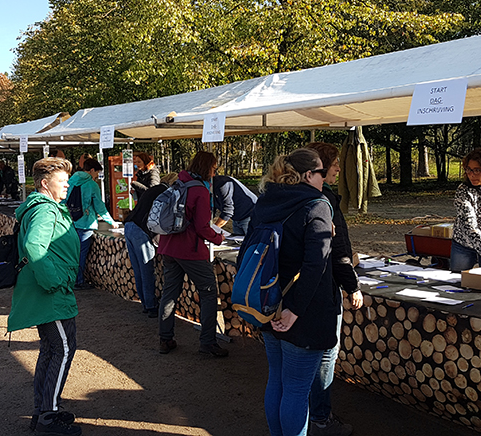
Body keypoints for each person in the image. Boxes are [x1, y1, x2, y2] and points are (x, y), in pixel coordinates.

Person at [241, 148, 339, 436]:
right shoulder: (317, 205)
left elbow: (248, 250)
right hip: (303, 312)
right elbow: (315, 266)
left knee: (278, 382)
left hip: (268, 302)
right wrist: (294, 310)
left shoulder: (266, 201)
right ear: (308, 175)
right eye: (322, 173)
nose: (325, 179)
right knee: (296, 389)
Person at [7, 157, 82, 436]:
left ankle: (43, 410)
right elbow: (34, 245)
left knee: (52, 349)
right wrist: (54, 282)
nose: (67, 185)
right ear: (44, 183)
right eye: (62, 181)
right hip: (50, 293)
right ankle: (48, 417)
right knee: (63, 349)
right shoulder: (45, 210)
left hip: (48, 290)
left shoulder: (44, 207)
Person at [306, 142, 363, 436]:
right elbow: (337, 249)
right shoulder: (324, 201)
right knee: (326, 353)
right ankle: (320, 418)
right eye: (336, 164)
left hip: (296, 293)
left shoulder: (288, 197)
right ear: (321, 167)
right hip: (323, 290)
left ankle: (308, 417)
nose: (339, 169)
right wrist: (352, 285)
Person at [157, 151, 227, 357]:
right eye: (214, 168)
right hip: (190, 249)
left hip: (168, 246)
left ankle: (165, 338)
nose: (214, 173)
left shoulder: (178, 183)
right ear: (208, 168)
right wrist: (218, 238)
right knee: (208, 293)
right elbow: (202, 227)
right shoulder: (200, 191)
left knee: (169, 293)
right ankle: (207, 342)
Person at [123, 172, 178, 318]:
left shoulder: (153, 190)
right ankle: (151, 305)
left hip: (130, 226)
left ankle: (145, 303)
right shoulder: (165, 193)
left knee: (138, 269)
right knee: (147, 269)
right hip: (141, 230)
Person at [67, 158, 119, 290]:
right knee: (81, 254)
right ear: (91, 170)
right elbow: (99, 207)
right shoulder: (91, 185)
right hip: (85, 223)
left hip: (70, 222)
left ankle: (69, 278)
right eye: (96, 173)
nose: (96, 176)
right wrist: (111, 221)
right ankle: (78, 280)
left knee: (71, 252)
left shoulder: (71, 180)